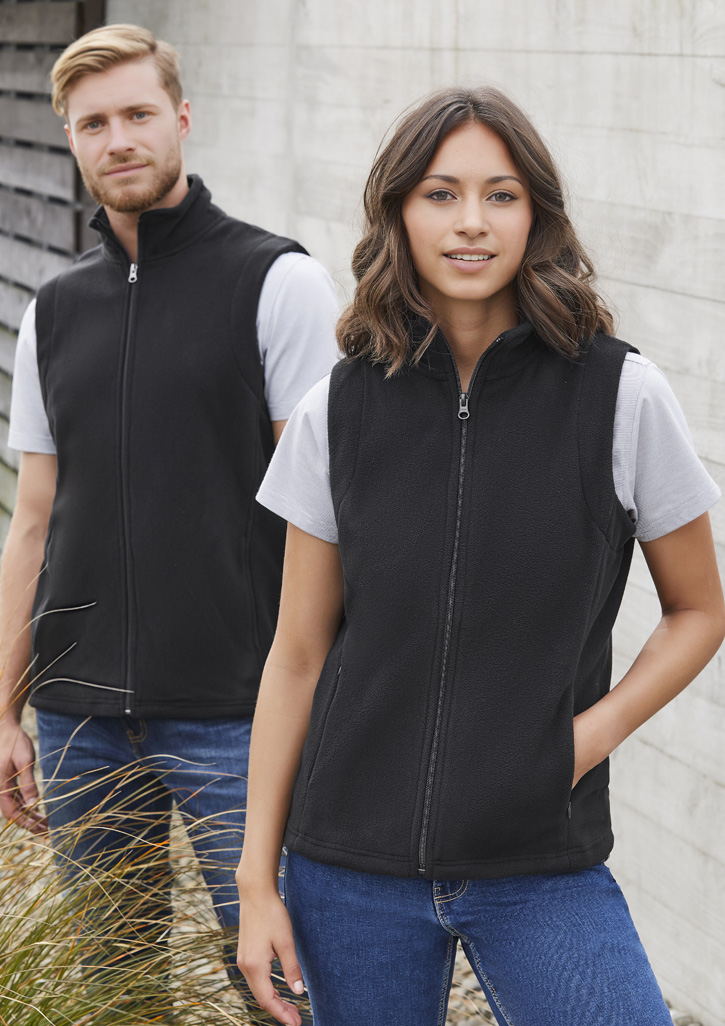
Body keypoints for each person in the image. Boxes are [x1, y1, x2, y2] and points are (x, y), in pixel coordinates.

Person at [235, 86, 725, 1026]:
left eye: (500, 195)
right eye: (440, 194)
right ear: (398, 214)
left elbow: (699, 610)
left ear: (536, 215)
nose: (471, 222)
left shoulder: (620, 395)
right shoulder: (338, 408)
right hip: (349, 861)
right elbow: (296, 654)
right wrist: (258, 882)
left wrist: (582, 741)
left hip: (537, 854)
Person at [0, 21, 337, 1009]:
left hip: (240, 711)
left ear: (181, 118)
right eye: (93, 123)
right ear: (70, 138)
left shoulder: (278, 282)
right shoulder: (52, 312)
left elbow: (330, 513)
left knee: (288, 988)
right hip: (80, 721)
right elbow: (33, 520)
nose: (119, 140)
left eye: (138, 114)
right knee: (118, 994)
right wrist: (5, 706)